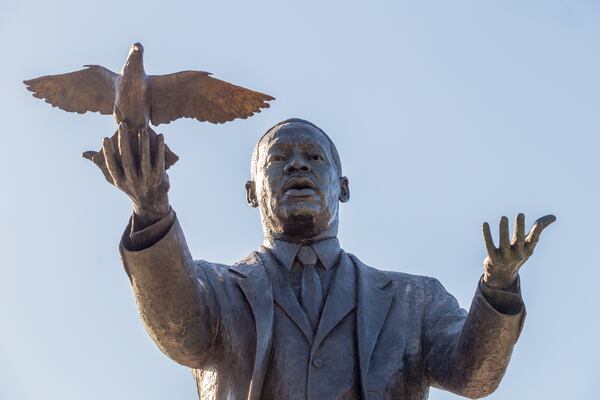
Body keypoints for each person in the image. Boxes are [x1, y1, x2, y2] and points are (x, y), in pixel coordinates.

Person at [88, 118, 555, 399]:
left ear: (344, 187)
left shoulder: (414, 300)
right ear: (252, 195)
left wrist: (497, 287)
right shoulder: (216, 290)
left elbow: (473, 375)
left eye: (314, 157)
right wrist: (151, 212)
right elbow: (179, 331)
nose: (297, 165)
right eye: (279, 159)